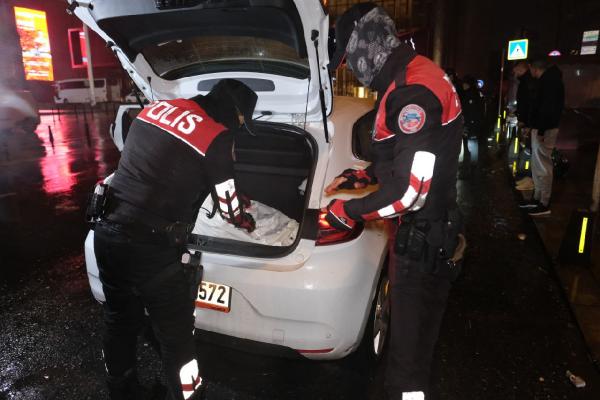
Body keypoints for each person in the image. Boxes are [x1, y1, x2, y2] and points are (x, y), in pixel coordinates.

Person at [327, 4, 464, 399]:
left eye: (350, 59)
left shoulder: (411, 92)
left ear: (366, 45)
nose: (352, 69)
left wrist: (346, 211)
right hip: (430, 233)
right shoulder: (410, 78)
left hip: (421, 241)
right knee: (415, 349)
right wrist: (360, 175)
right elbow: (404, 157)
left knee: (407, 361)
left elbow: (410, 192)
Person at [90, 79, 258, 400]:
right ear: (233, 113)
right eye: (240, 123)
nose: (237, 129)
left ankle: (122, 391)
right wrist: (245, 220)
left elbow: (154, 165)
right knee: (177, 338)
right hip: (151, 250)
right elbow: (228, 206)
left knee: (119, 320)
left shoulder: (155, 110)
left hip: (107, 233)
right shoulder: (216, 137)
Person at [521, 58, 564, 216]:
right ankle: (537, 199)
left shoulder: (550, 82)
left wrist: (540, 131)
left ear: (533, 67)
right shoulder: (548, 80)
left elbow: (548, 109)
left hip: (545, 130)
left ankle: (544, 203)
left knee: (543, 166)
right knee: (538, 165)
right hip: (541, 129)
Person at [512, 61, 536, 193]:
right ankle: (528, 177)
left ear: (521, 69)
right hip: (528, 122)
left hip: (529, 123)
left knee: (531, 151)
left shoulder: (528, 82)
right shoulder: (527, 81)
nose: (515, 74)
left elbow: (529, 104)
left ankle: (530, 179)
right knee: (528, 149)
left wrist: (526, 122)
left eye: (516, 71)